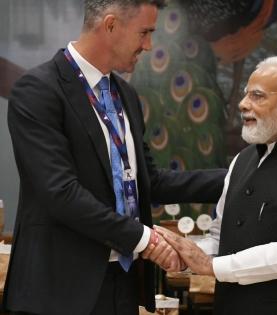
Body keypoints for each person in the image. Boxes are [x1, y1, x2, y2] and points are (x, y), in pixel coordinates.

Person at [3, 1, 226, 314]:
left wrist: (237, 177)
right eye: (144, 33)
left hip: (122, 282)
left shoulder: (125, 94)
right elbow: (60, 193)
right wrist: (145, 240)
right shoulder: (38, 91)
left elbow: (151, 182)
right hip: (58, 293)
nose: (149, 46)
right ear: (110, 25)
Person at [154, 56, 277, 315]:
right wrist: (182, 254)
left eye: (258, 96)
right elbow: (220, 239)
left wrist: (211, 266)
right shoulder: (242, 160)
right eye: (245, 95)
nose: (242, 104)